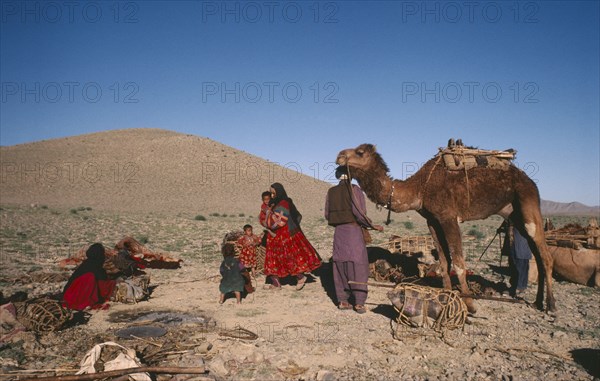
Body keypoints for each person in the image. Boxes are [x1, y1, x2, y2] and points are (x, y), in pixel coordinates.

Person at [325, 166, 383, 314]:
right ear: (351, 176)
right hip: (353, 232)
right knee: (358, 265)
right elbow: (359, 212)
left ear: (338, 176)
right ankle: (359, 303)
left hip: (339, 233)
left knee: (340, 265)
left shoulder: (331, 192)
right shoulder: (355, 190)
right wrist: (371, 225)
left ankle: (343, 301)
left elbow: (327, 214)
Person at [263, 182, 321, 290]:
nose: (271, 195)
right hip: (275, 235)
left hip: (284, 234)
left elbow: (280, 221)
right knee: (274, 257)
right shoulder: (273, 203)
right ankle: (276, 283)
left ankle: (300, 277)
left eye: (273, 193)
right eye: (270, 193)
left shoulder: (284, 203)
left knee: (289, 256)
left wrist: (267, 218)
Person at [62, 243, 117, 311]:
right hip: (74, 297)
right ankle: (85, 302)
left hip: (68, 296)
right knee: (91, 278)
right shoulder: (96, 267)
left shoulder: (85, 264)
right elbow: (103, 284)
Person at [501, 219, 533, 297]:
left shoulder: (523, 217)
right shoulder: (512, 217)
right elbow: (506, 225)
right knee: (515, 267)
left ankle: (519, 288)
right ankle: (516, 287)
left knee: (520, 267)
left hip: (521, 245)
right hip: (515, 245)